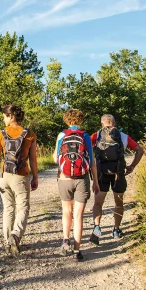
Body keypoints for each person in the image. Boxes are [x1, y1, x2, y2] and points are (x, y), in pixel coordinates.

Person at [0, 105, 39, 257]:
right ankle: (16, 235)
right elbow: (32, 158)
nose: (3, 119)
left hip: (4, 175)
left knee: (8, 208)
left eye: (4, 116)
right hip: (21, 175)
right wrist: (35, 177)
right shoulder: (30, 134)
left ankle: (7, 242)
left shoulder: (0, 133)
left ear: (11, 116)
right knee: (23, 207)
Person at [89, 114, 144, 245]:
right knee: (118, 203)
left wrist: (92, 167)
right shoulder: (124, 137)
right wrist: (131, 166)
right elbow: (140, 151)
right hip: (118, 174)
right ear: (115, 123)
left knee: (98, 203)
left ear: (102, 124)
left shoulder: (96, 136)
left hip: (102, 174)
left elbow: (85, 150)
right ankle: (116, 230)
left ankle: (97, 228)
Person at [53, 109, 99, 262]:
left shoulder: (61, 135)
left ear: (66, 120)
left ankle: (66, 240)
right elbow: (91, 161)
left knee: (66, 211)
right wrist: (96, 182)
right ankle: (77, 251)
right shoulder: (85, 136)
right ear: (81, 120)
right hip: (82, 178)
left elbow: (55, 158)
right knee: (78, 215)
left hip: (64, 178)